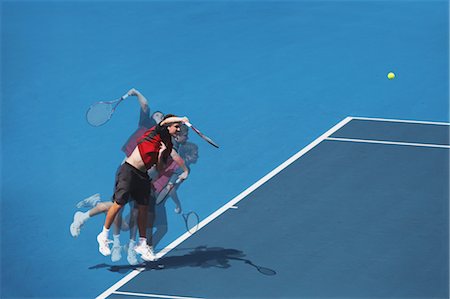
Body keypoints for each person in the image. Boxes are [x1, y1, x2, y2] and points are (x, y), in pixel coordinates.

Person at [96, 114, 190, 261]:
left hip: (142, 175)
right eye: (176, 126)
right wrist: (181, 119)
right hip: (128, 170)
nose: (178, 129)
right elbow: (165, 120)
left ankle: (142, 244)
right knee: (119, 204)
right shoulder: (156, 131)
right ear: (168, 126)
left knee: (143, 208)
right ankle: (103, 235)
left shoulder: (168, 145)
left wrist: (160, 154)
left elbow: (159, 168)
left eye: (179, 127)